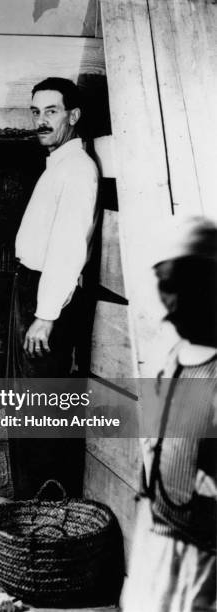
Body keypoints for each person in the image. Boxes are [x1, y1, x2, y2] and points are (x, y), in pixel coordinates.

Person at [6, 77, 99, 497]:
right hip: (32, 287)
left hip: (48, 296)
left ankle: (43, 506)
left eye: (52, 111)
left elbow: (68, 247)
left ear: (73, 116)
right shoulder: (58, 165)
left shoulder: (78, 169)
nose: (41, 121)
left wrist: (45, 316)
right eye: (36, 112)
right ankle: (28, 502)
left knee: (40, 405)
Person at [121, 216, 217, 612]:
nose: (173, 305)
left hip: (203, 548)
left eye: (187, 288)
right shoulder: (171, 361)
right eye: (167, 288)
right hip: (157, 532)